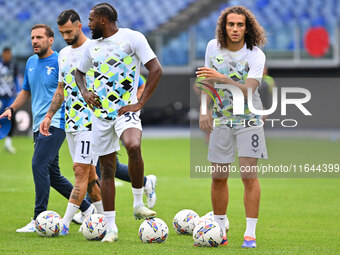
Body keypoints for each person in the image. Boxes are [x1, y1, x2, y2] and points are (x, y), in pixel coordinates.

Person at [75, 3, 162, 242]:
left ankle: (137, 202)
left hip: (126, 111)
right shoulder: (91, 47)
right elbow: (78, 73)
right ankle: (111, 228)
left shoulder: (132, 38)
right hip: (101, 116)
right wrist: (84, 92)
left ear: (103, 20)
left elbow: (155, 69)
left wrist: (139, 103)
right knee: (107, 170)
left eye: (91, 20)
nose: (88, 24)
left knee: (133, 145)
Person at [0, 24, 93, 233]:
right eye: (32, 37)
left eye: (39, 37)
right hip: (37, 124)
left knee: (38, 165)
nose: (34, 41)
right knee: (52, 174)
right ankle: (87, 208)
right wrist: (11, 109)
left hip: (56, 121)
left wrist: (51, 116)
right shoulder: (31, 62)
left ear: (51, 40)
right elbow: (25, 91)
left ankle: (38, 218)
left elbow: (65, 90)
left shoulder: (61, 59)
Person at [196, 6, 267, 248]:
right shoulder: (212, 47)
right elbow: (207, 79)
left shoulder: (255, 54)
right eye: (230, 24)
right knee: (218, 177)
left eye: (240, 25)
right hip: (221, 119)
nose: (235, 29)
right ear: (223, 26)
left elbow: (248, 90)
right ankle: (218, 229)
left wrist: (223, 78)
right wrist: (204, 110)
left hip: (249, 120)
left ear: (247, 28)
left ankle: (250, 234)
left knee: (248, 175)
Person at [39, 10, 105, 235]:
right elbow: (61, 89)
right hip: (71, 122)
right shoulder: (63, 54)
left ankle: (64, 224)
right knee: (91, 176)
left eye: (69, 31)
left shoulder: (95, 49)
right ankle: (105, 220)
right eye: (61, 33)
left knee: (80, 171)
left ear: (79, 26)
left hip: (91, 122)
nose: (65, 36)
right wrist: (48, 116)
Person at [0, 47, 19, 153]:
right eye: (6, 54)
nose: (8, 56)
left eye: (9, 54)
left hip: (10, 97)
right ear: (3, 54)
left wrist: (19, 91)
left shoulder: (13, 66)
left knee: (12, 118)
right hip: (1, 97)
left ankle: (8, 143)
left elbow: (16, 79)